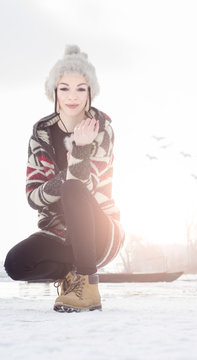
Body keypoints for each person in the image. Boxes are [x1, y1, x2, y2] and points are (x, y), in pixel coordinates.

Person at [4, 45, 125, 313]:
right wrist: (66, 175)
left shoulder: (101, 129)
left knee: (72, 187)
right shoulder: (41, 135)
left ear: (90, 92)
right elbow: (34, 196)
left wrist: (81, 148)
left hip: (101, 233)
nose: (72, 96)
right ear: (54, 91)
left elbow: (86, 187)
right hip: (59, 233)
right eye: (64, 88)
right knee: (15, 263)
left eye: (81, 88)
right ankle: (71, 277)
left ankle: (88, 285)